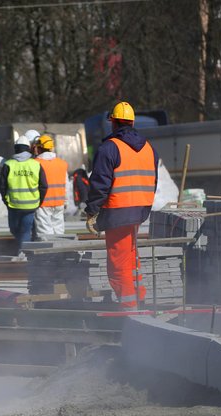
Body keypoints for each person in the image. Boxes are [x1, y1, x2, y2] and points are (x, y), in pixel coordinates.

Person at [85, 101, 158, 310]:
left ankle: (128, 306)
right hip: (140, 209)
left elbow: (100, 183)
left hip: (117, 210)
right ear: (132, 122)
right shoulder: (148, 148)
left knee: (118, 262)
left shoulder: (109, 148)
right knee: (132, 257)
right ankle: (139, 298)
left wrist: (92, 211)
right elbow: (153, 181)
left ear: (114, 123)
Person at [0, 135, 47, 255]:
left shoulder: (8, 165)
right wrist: (38, 202)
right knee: (25, 230)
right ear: (28, 149)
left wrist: (6, 201)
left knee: (15, 229)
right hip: (31, 205)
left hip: (13, 205)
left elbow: (3, 187)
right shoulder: (35, 164)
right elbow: (43, 186)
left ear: (16, 149)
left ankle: (23, 252)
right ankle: (24, 251)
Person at [33, 134, 68, 236]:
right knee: (59, 232)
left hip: (42, 203)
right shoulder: (62, 163)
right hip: (59, 202)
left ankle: (47, 252)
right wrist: (66, 201)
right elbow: (66, 184)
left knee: (45, 234)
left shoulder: (35, 163)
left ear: (38, 148)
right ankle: (60, 251)